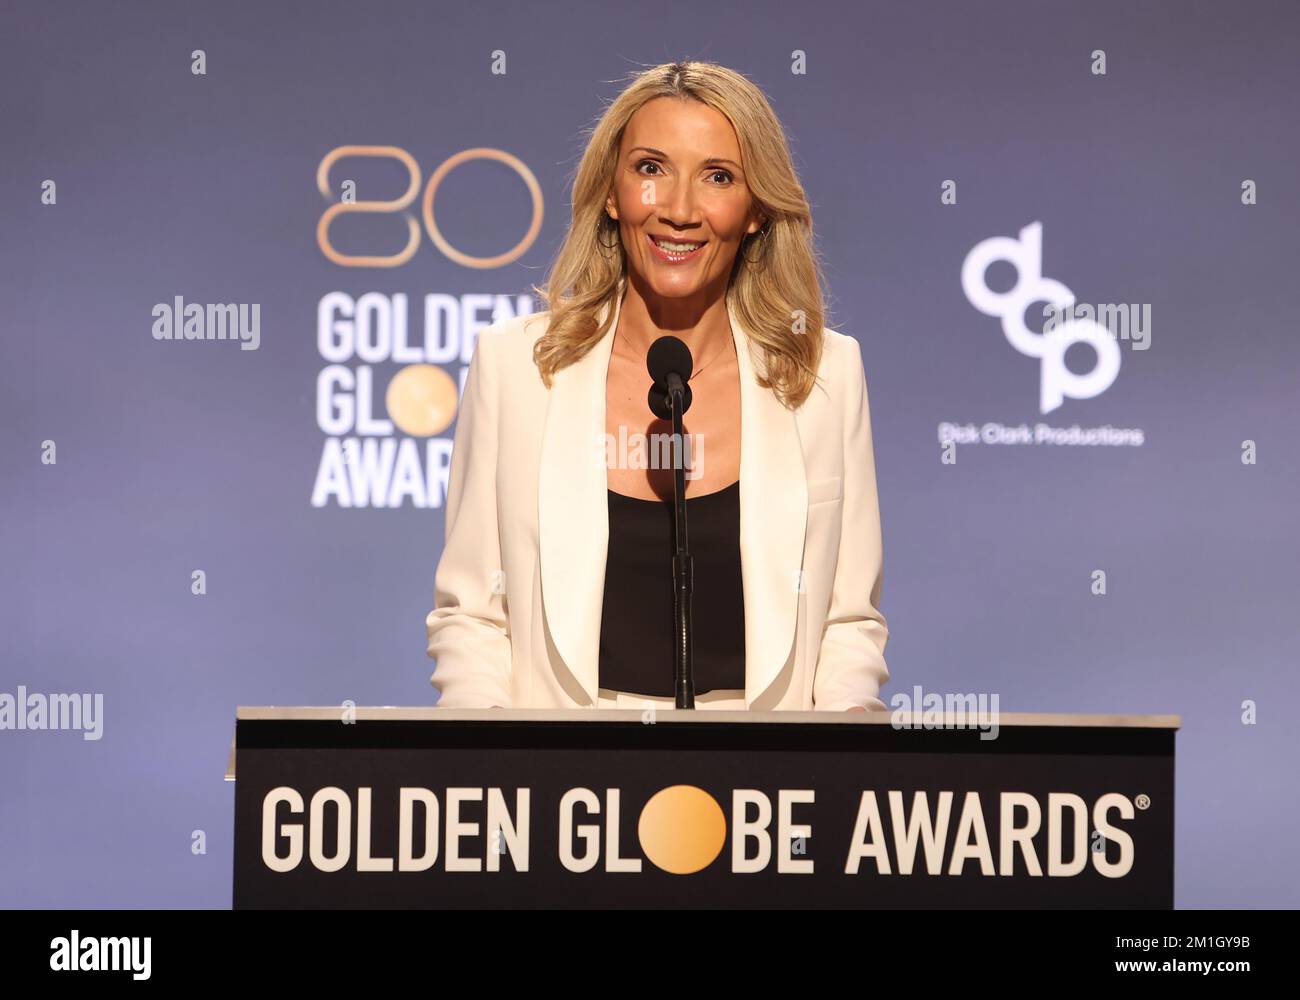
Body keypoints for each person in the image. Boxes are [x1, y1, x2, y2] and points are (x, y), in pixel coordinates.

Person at [426, 61, 889, 712]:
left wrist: (831, 765)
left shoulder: (824, 375)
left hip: (768, 778)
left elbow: (848, 624)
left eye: (718, 177)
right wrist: (500, 761)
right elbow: (472, 615)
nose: (678, 210)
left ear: (755, 209)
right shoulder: (517, 368)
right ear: (612, 193)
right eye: (651, 169)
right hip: (564, 776)